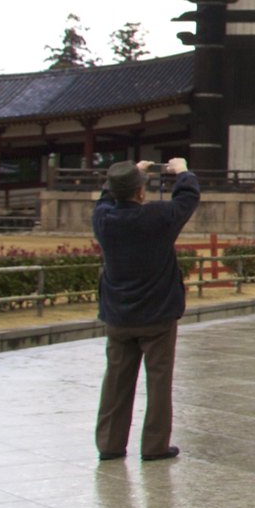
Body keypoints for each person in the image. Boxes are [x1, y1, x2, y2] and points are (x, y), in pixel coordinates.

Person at [93, 156, 200, 462]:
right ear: (141, 192)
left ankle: (110, 443)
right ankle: (154, 445)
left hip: (118, 312)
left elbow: (105, 197)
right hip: (158, 312)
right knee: (159, 380)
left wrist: (129, 174)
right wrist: (183, 172)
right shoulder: (158, 217)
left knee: (115, 379)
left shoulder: (103, 218)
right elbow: (187, 198)